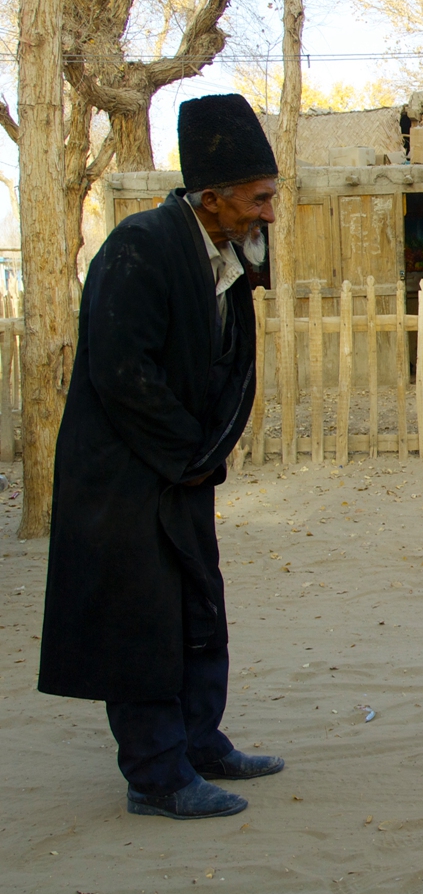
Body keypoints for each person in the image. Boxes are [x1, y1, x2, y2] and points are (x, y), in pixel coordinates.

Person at [38, 94, 285, 819]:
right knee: (138, 620)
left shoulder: (229, 253)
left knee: (196, 604)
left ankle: (200, 742)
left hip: (181, 469)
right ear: (211, 199)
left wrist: (205, 455)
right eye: (259, 198)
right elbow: (124, 375)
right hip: (123, 478)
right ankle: (155, 775)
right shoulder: (139, 247)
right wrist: (189, 452)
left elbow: (230, 362)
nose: (269, 213)